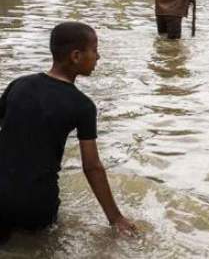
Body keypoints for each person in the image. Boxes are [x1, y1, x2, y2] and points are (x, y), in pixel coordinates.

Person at [0, 22, 136, 240]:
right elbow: (92, 167)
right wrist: (116, 218)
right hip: (37, 205)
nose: (98, 57)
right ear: (76, 56)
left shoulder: (19, 84)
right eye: (94, 50)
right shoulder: (82, 106)